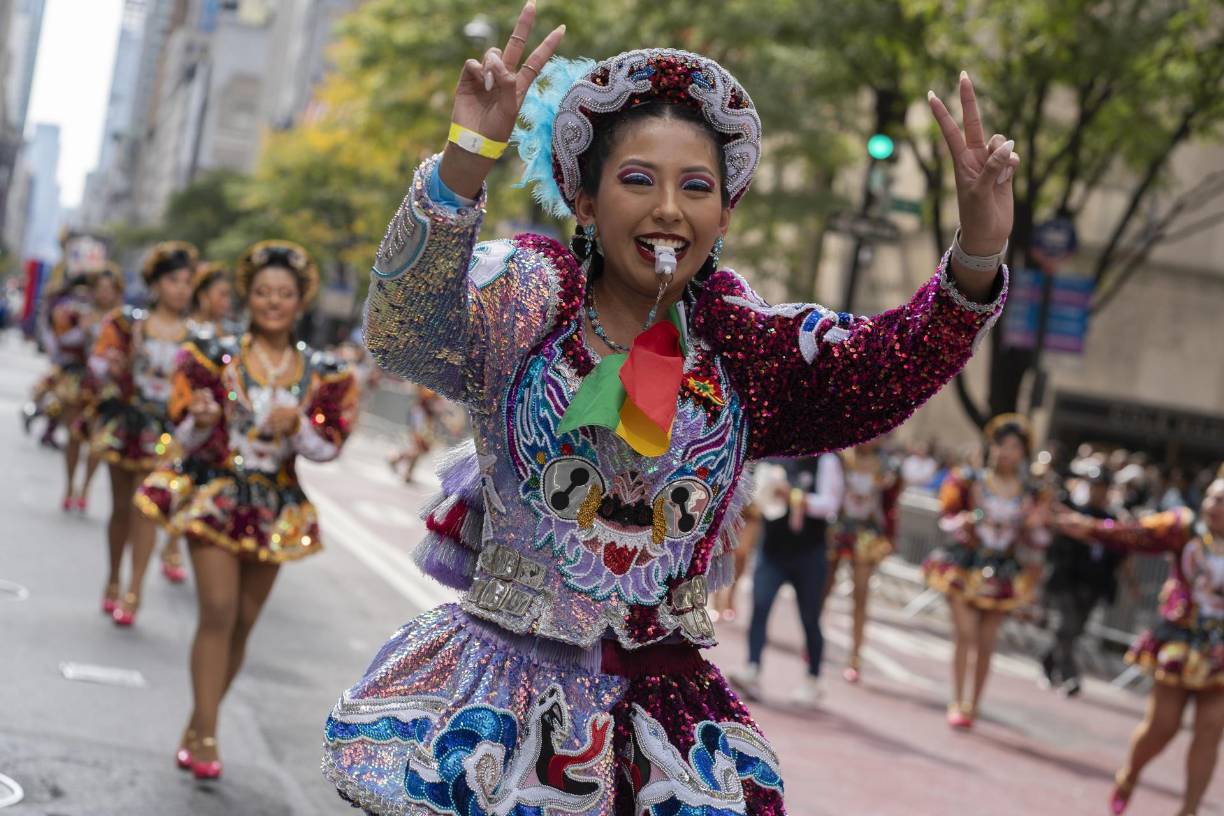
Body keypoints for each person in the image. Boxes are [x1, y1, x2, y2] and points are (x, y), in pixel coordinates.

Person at [322, 6, 1014, 812]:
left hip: (666, 726)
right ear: (584, 202)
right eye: (637, 180)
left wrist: (977, 253)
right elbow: (405, 329)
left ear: (723, 216)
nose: (668, 211)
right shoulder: (526, 300)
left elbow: (885, 369)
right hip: (496, 700)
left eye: (697, 187)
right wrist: (467, 157)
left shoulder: (748, 351)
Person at [135, 240, 357, 780]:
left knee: (242, 626)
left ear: (300, 300)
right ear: (248, 297)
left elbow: (329, 447)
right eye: (262, 292)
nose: (272, 302)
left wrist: (298, 427)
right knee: (216, 610)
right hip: (215, 491)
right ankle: (209, 735)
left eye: (283, 293)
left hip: (275, 505)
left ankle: (198, 719)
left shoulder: (322, 371)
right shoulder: (212, 354)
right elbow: (182, 432)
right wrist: (204, 419)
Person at [1059, 479, 1224, 816]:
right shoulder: (1183, 527)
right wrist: (1091, 528)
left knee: (1210, 728)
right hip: (1182, 638)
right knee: (1164, 726)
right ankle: (1130, 775)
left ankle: (1189, 810)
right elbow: (1133, 534)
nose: (1213, 506)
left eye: (1222, 501)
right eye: (1211, 497)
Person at [90, 241, 195, 624]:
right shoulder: (125, 322)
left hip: (167, 434)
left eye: (187, 281)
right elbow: (98, 365)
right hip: (128, 423)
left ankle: (134, 591)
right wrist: (115, 363)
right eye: (173, 280)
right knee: (120, 508)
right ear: (155, 283)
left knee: (146, 509)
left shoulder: (198, 338)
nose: (181, 288)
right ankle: (113, 579)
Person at [923, 414, 1051, 728]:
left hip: (1004, 569)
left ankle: (973, 704)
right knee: (965, 634)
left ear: (1023, 453)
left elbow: (1040, 537)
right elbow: (947, 519)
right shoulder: (969, 480)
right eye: (1001, 445)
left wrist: (1036, 526)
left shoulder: (1031, 492)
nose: (1006, 452)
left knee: (986, 641)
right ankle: (956, 699)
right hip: (966, 564)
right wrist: (964, 522)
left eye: (1014, 447)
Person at [728, 454, 843, 706]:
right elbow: (758, 498)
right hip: (773, 550)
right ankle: (753, 668)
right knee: (760, 606)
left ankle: (813, 678)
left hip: (808, 552)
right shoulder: (774, 458)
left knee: (810, 617)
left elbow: (830, 503)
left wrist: (795, 496)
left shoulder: (825, 461)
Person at [156, 261, 238, 584]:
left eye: (228, 296)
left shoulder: (230, 340)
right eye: (221, 294)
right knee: (180, 484)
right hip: (181, 419)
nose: (226, 302)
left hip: (216, 428)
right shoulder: (186, 332)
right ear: (203, 296)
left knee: (200, 489)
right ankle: (172, 546)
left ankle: (179, 545)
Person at [1039, 465, 1123, 696]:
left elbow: (1119, 556)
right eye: (1096, 487)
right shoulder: (1074, 512)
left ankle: (1048, 661)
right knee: (1066, 626)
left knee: (1073, 632)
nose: (1099, 492)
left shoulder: (1112, 521)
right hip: (1067, 582)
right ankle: (1069, 675)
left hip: (1093, 586)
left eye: (1103, 488)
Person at [826, 440, 901, 684]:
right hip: (838, 527)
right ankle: (814, 639)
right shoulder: (839, 456)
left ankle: (855, 656)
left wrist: (890, 536)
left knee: (861, 593)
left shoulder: (888, 465)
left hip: (868, 533)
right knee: (825, 586)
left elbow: (890, 505)